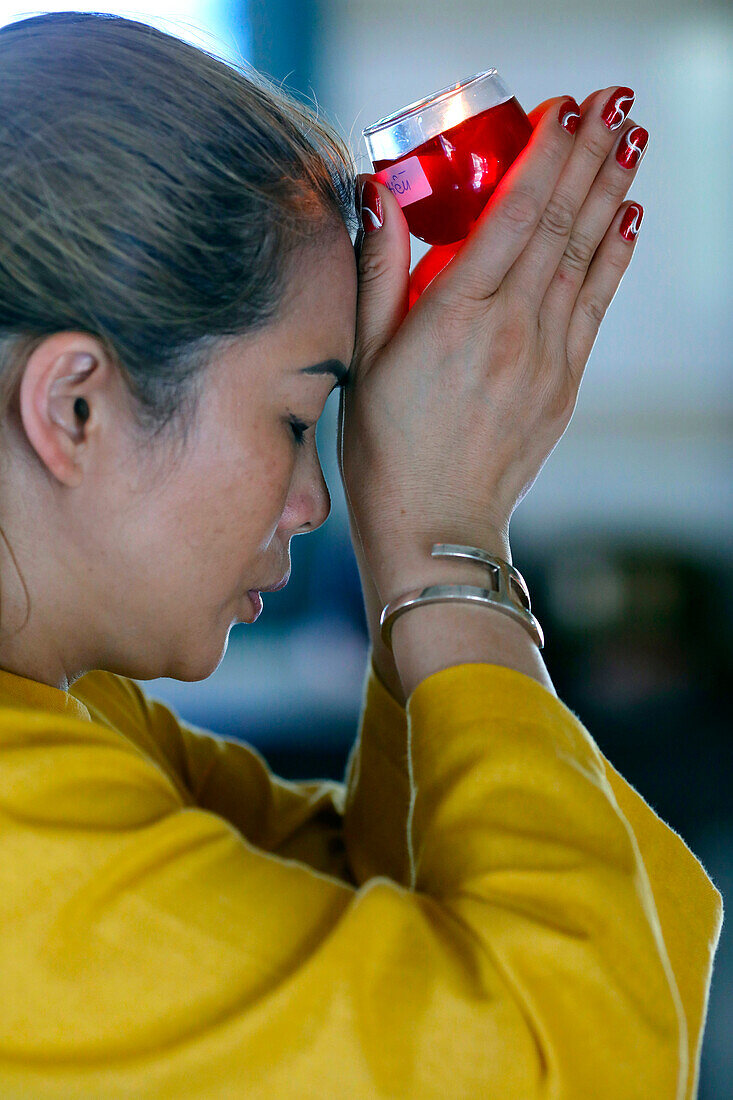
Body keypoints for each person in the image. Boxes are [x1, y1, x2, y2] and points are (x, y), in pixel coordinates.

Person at [0, 11, 722, 1100]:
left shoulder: (84, 719)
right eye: (299, 419)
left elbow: (364, 917)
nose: (315, 499)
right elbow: (565, 1061)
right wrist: (448, 543)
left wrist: (422, 556)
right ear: (78, 406)